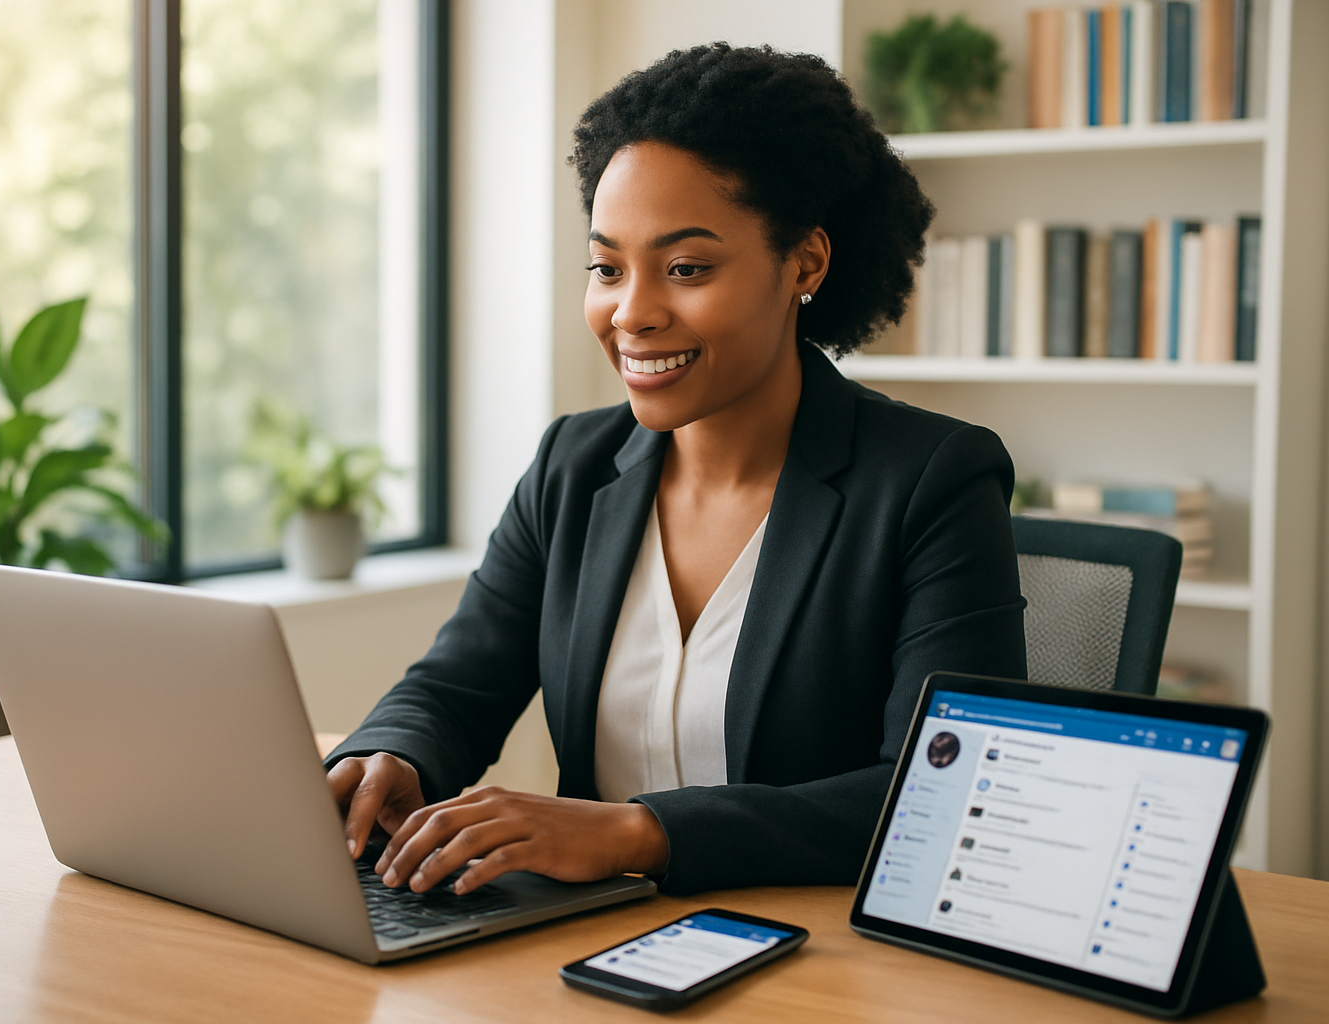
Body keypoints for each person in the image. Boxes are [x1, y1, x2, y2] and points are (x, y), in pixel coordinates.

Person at [326, 43, 1027, 898]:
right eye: (606, 267)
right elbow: (456, 682)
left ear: (804, 264)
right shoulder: (573, 467)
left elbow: (942, 793)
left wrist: (639, 831)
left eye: (686, 269)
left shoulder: (932, 481)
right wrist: (386, 755)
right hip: (583, 948)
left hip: (823, 964)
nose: (632, 313)